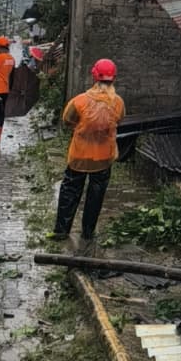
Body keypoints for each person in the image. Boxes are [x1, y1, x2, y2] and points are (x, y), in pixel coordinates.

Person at [51, 59, 125, 242]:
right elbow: (119, 121)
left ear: (94, 75)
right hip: (104, 157)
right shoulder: (118, 103)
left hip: (79, 156)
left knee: (70, 191)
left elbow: (67, 120)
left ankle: (61, 230)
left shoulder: (80, 101)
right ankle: (88, 232)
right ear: (113, 78)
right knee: (96, 195)